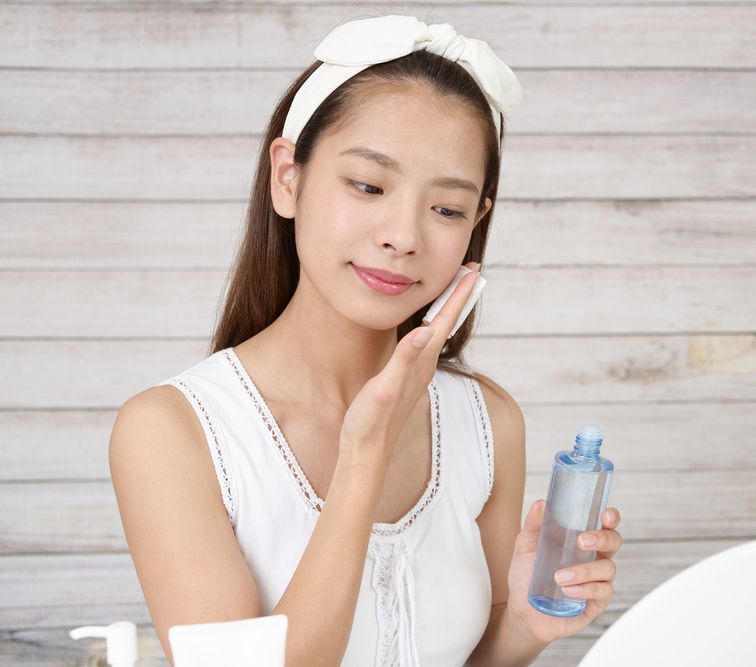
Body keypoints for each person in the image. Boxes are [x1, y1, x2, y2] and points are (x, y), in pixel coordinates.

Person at [108, 14, 623, 667]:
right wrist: (365, 453)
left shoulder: (488, 422)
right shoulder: (173, 431)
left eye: (446, 208)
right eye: (369, 185)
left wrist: (524, 622)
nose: (404, 235)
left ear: (477, 221)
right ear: (287, 178)